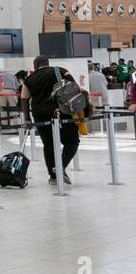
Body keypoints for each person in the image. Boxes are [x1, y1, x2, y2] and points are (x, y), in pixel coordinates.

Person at [21, 55, 81, 184]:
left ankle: (53, 177)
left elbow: (24, 99)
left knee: (49, 144)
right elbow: (75, 87)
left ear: (35, 66)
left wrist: (27, 118)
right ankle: (60, 167)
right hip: (61, 112)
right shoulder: (61, 71)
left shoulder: (29, 79)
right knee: (72, 141)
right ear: (48, 63)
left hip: (40, 114)